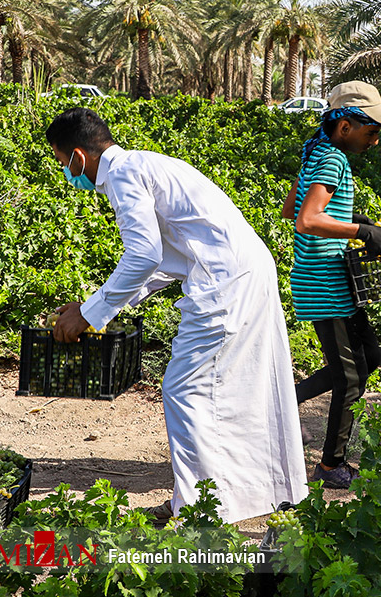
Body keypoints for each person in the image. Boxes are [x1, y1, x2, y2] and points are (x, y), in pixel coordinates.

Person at [46, 107, 308, 525]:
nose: (69, 174)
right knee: (240, 386)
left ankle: (197, 510)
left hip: (225, 282)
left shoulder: (124, 176)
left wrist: (90, 312)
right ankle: (258, 494)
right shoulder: (146, 163)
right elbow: (164, 260)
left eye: (64, 164)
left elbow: (145, 254)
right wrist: (104, 306)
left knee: (184, 389)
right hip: (242, 270)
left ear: (78, 156)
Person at [281, 81, 381, 490]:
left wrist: (358, 222)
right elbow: (306, 220)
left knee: (368, 357)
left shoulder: (314, 151)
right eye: (371, 131)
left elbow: (290, 208)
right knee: (350, 379)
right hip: (323, 282)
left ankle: (278, 404)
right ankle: (331, 464)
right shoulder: (331, 159)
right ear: (346, 126)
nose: (377, 139)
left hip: (330, 278)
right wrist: (360, 232)